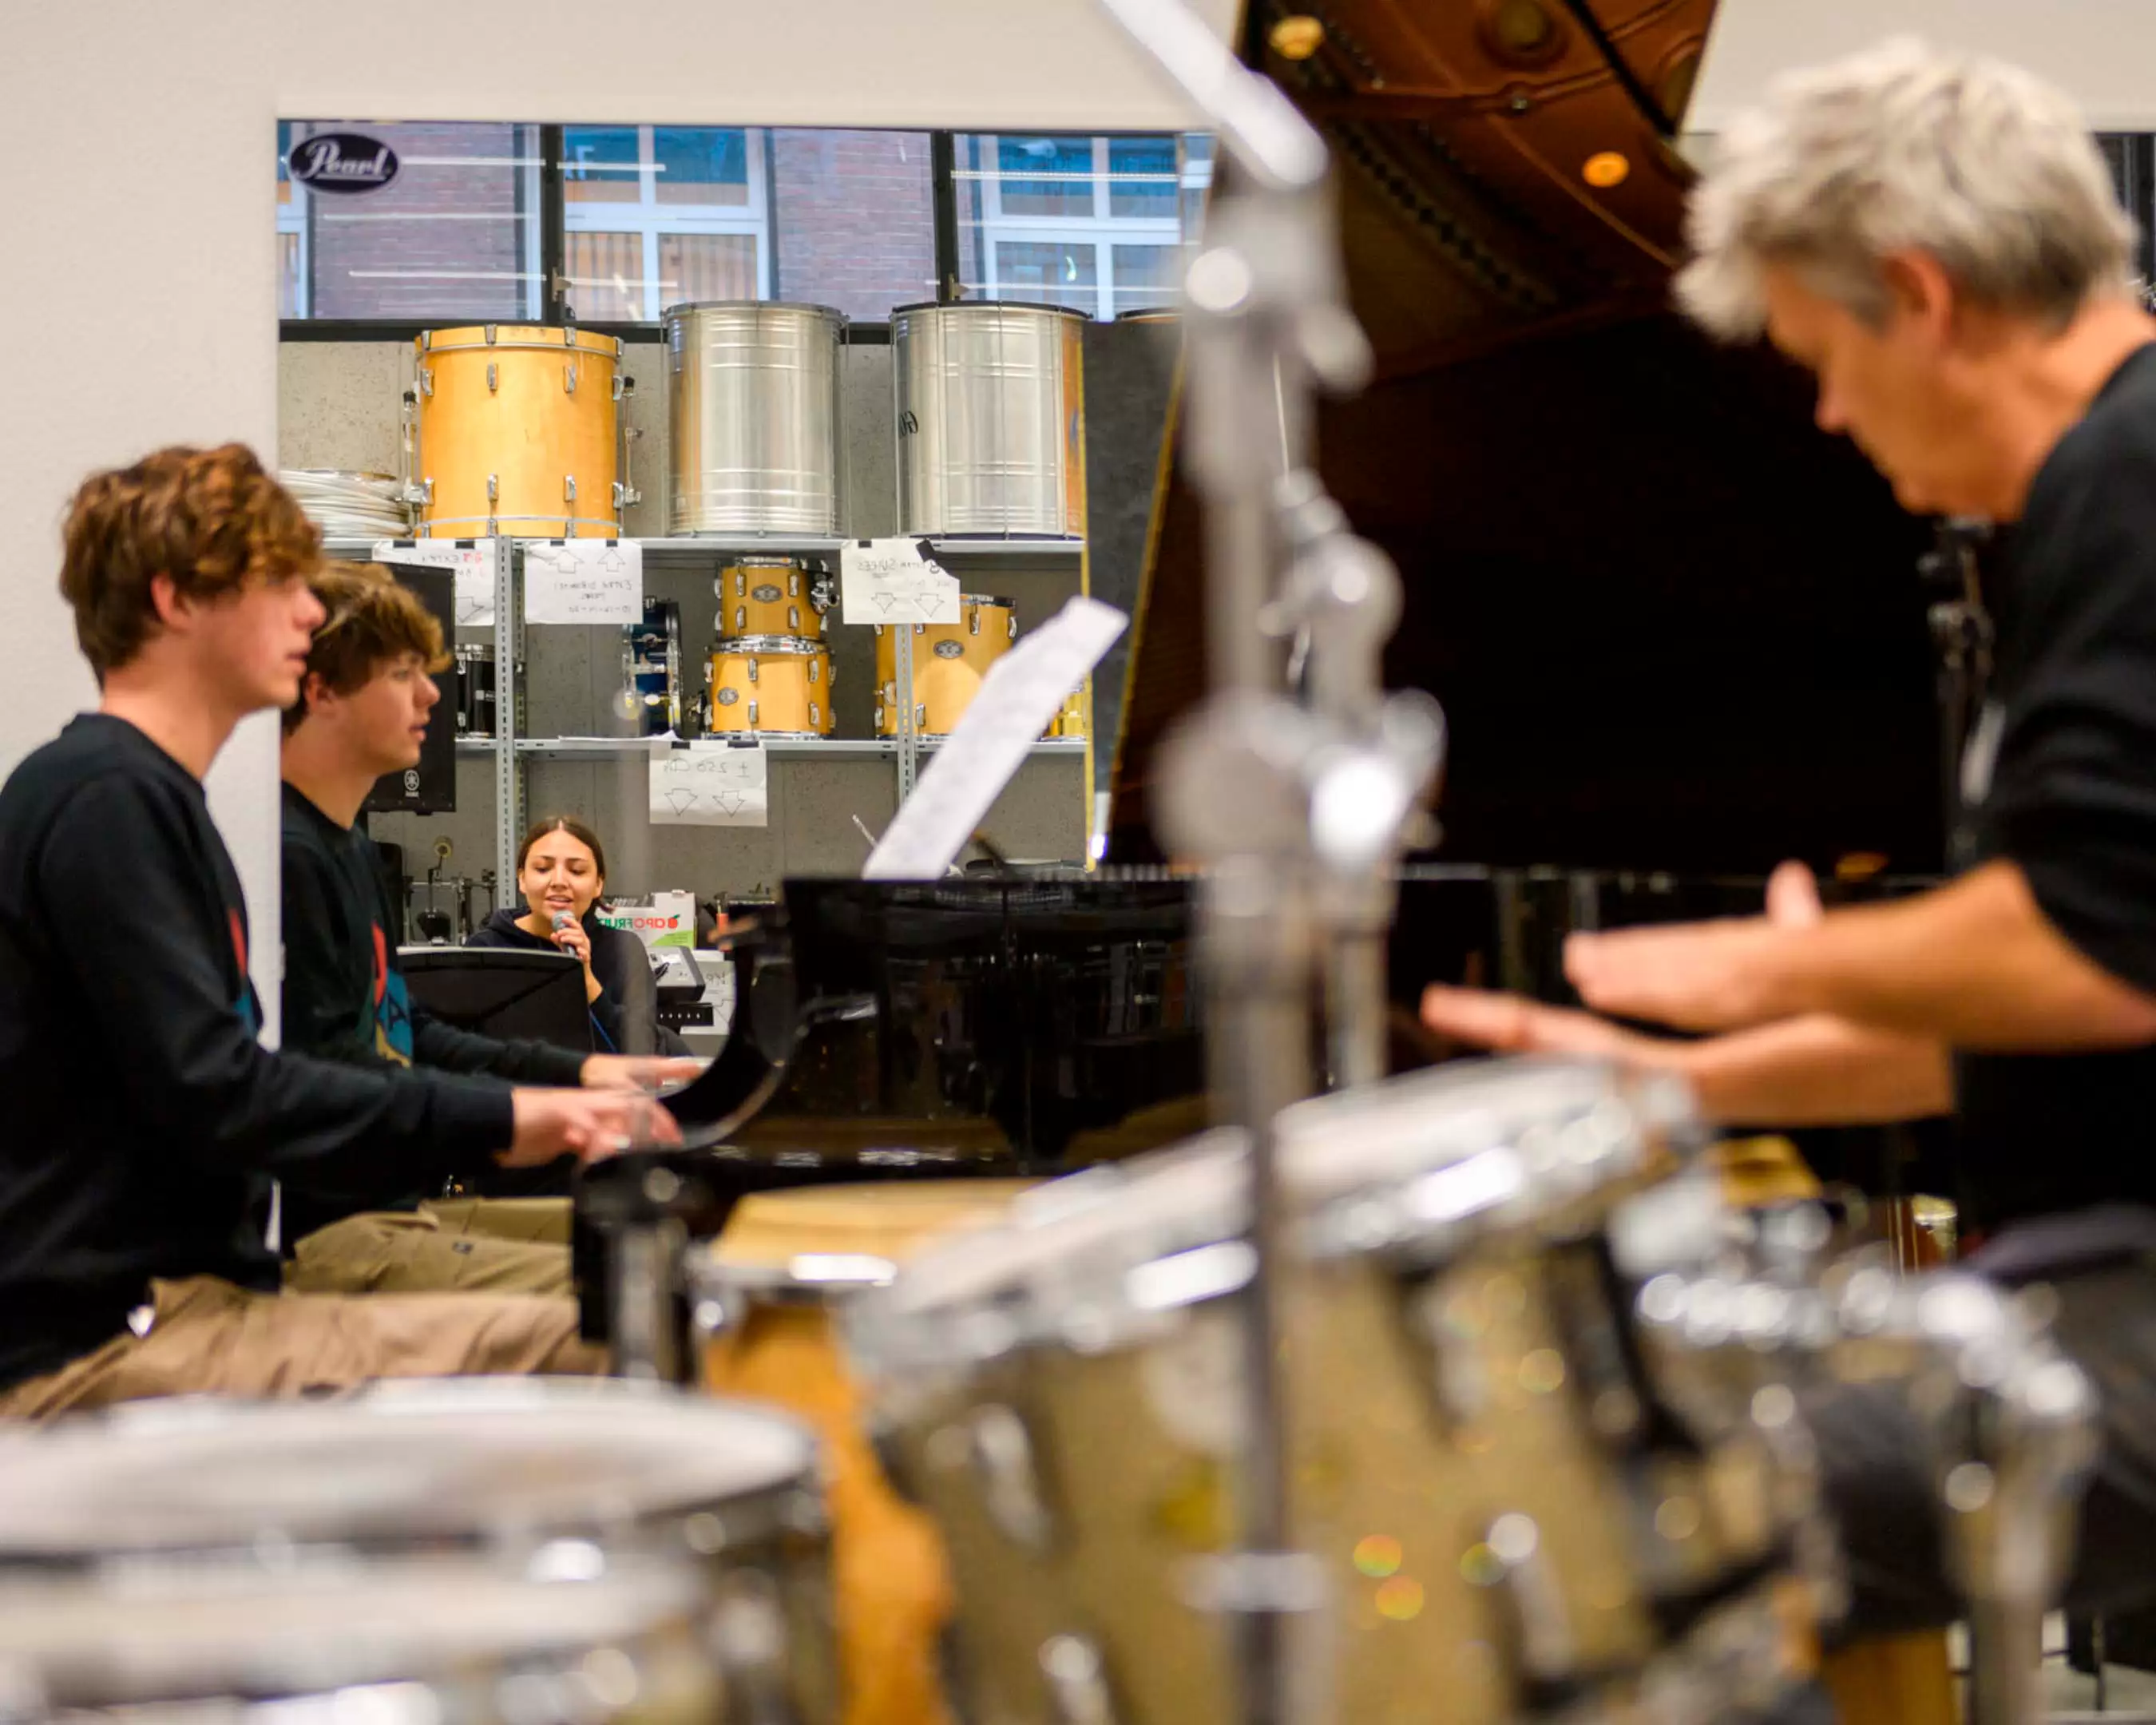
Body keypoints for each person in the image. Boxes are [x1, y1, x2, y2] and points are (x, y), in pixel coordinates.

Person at [1419, 37, 2156, 1648]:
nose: (1824, 412)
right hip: (2100, 1279)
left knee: (1602, 1517)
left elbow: (2094, 952)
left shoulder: (2135, 477)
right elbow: (2027, 1015)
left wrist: (1758, 968)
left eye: (1825, 356)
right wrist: (1670, 1090)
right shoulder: (2091, 495)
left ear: (1924, 295)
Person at [0, 445, 676, 1419]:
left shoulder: (148, 797)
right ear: (175, 601)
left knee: (644, 1296)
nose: (308, 615)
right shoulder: (107, 800)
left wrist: (554, 1089)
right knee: (626, 1326)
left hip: (182, 1303)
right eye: (277, 585)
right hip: (107, 1340)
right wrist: (513, 1117)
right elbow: (222, 1091)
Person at [277, 561, 698, 1295]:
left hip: (392, 1208)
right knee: (635, 1288)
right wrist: (513, 1117)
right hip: (337, 1230)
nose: (432, 695)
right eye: (404, 673)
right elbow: (332, 1077)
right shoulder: (290, 857)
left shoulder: (351, 850)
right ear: (323, 693)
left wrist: (579, 1073)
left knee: (674, 1244)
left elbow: (406, 1032)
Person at [469, 817, 688, 1059]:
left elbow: (644, 1051)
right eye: (542, 869)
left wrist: (587, 981)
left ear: (598, 884)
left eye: (577, 871)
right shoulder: (486, 949)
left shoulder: (623, 951)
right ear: (522, 879)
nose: (559, 882)